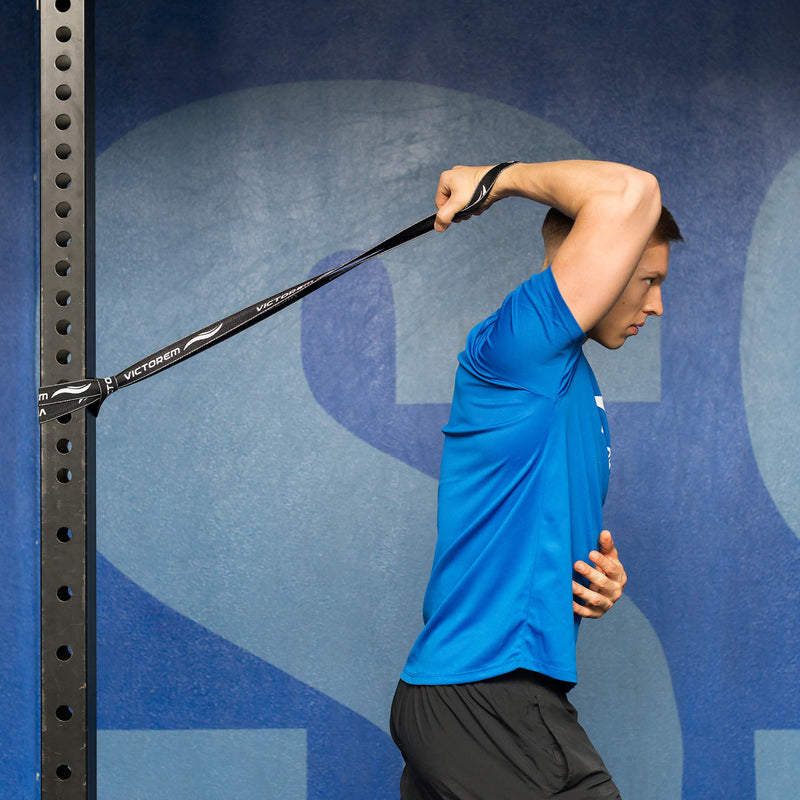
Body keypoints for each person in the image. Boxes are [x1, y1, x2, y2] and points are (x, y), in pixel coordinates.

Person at [390, 160, 683, 799]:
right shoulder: (518, 347)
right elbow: (632, 191)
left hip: (471, 700)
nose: (657, 305)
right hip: (486, 700)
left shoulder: (569, 386)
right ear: (599, 268)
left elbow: (527, 529)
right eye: (647, 280)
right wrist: (495, 178)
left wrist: (593, 580)